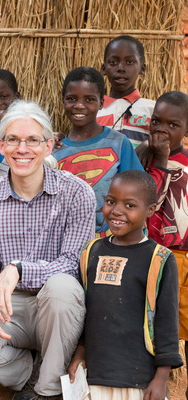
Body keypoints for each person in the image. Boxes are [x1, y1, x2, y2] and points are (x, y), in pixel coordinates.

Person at [0, 100, 96, 400]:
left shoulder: (77, 193)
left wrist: (17, 269)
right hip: (10, 308)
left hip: (60, 310)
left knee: (62, 288)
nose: (22, 149)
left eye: (33, 140)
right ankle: (34, 373)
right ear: (1, 146)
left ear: (49, 145)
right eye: (13, 140)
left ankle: (47, 392)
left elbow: (73, 264)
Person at [68, 170, 183, 400]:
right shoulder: (91, 252)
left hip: (137, 376)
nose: (117, 211)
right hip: (96, 374)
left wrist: (161, 377)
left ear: (150, 210)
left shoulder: (159, 259)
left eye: (130, 205)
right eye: (111, 202)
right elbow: (86, 313)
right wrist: (80, 353)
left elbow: (167, 320)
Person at [53, 67, 142, 234]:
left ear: (102, 102)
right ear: (63, 100)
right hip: (66, 242)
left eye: (89, 99)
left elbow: (138, 191)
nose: (79, 105)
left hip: (111, 240)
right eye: (72, 98)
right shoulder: (55, 150)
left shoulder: (117, 143)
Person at [141, 91, 188, 396]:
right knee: (152, 319)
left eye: (172, 125)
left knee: (182, 317)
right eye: (156, 121)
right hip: (150, 255)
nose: (162, 130)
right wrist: (158, 161)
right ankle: (150, 381)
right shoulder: (144, 157)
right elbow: (148, 204)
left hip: (181, 256)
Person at [96, 35, 155, 149]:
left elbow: (166, 142)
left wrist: (148, 144)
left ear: (142, 68)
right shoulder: (94, 110)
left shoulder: (153, 110)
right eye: (113, 62)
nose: (121, 68)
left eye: (129, 62)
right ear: (104, 68)